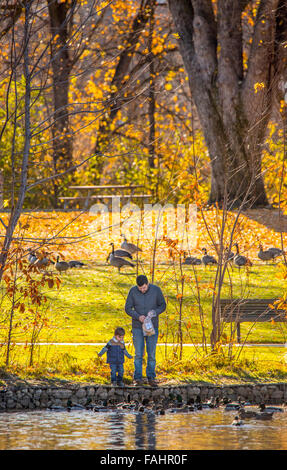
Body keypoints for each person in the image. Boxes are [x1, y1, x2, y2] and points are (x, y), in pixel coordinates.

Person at [125, 275, 166, 387]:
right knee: (138, 353)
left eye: (144, 288)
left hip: (152, 326)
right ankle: (137, 378)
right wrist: (138, 316)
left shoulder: (156, 290)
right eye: (140, 288)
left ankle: (151, 377)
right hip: (137, 326)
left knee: (151, 353)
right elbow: (127, 308)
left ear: (147, 284)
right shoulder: (133, 291)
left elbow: (163, 305)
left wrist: (154, 312)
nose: (142, 290)